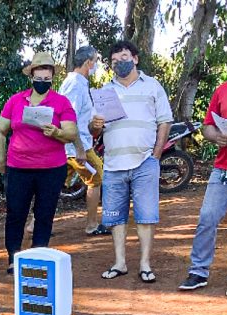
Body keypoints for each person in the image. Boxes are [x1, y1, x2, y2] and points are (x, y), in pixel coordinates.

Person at [179, 39, 227, 298]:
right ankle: (198, 271)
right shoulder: (224, 90)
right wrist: (216, 136)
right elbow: (208, 125)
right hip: (224, 165)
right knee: (207, 218)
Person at [91, 40, 172, 283]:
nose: (120, 63)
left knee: (146, 215)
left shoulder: (153, 86)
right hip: (115, 163)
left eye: (124, 58)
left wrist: (156, 154)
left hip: (145, 161)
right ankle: (120, 262)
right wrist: (94, 127)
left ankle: (145, 264)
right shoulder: (105, 91)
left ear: (135, 58)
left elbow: (165, 121)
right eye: (115, 61)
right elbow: (96, 132)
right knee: (115, 217)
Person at [0, 51, 77, 274]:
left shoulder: (61, 102)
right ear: (31, 76)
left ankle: (38, 254)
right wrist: (1, 159)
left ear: (52, 78)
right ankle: (13, 256)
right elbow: (0, 131)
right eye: (38, 78)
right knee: (15, 213)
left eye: (46, 79)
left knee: (44, 213)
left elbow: (71, 132)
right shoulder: (15, 100)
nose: (42, 82)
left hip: (51, 168)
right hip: (18, 167)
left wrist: (57, 132)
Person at [59, 45, 109, 236]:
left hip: (70, 145)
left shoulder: (76, 82)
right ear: (88, 63)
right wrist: (79, 148)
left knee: (54, 184)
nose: (96, 65)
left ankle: (32, 224)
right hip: (76, 146)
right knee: (96, 177)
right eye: (95, 62)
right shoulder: (76, 84)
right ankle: (91, 224)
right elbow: (69, 117)